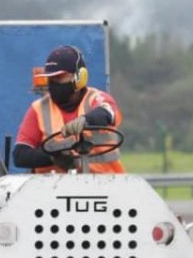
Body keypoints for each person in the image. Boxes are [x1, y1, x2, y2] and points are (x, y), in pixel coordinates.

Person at [13, 45, 125, 174]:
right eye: (51, 79)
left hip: (107, 186)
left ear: (79, 78)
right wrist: (52, 157)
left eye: (60, 77)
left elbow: (107, 112)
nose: (54, 83)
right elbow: (20, 155)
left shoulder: (97, 98)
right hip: (52, 190)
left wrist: (86, 120)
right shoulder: (38, 109)